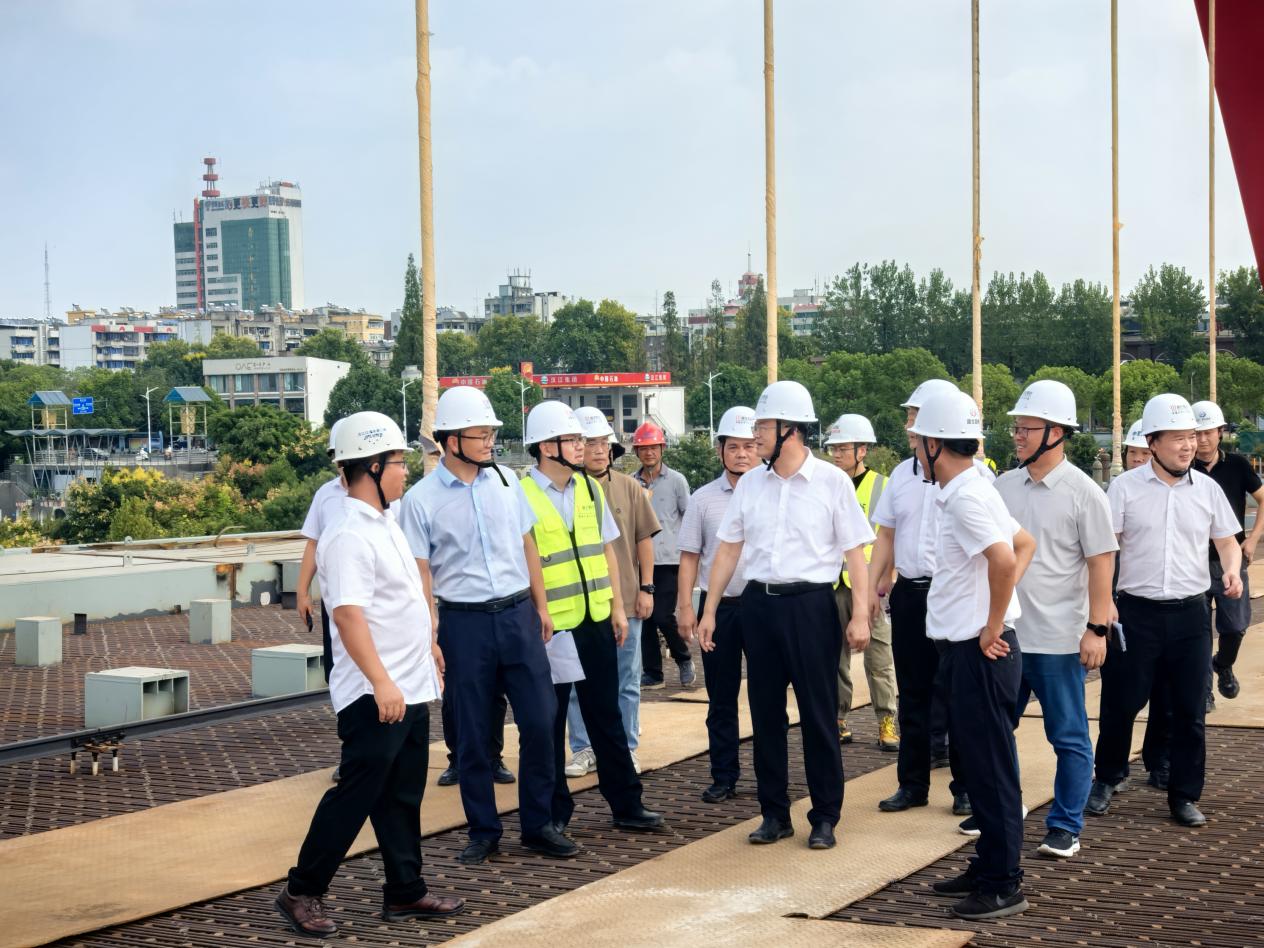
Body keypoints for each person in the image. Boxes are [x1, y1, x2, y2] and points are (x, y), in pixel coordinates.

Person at [276, 412, 463, 939]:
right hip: (374, 692)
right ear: (373, 467)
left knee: (402, 793)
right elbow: (348, 616)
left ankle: (404, 890)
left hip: (409, 684)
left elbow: (403, 597)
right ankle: (300, 890)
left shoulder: (385, 522)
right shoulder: (347, 534)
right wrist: (381, 682)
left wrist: (428, 645)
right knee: (356, 793)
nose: (407, 471)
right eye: (399, 462)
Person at [397, 387, 574, 866]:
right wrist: (430, 635)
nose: (490, 442)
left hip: (518, 615)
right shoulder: (421, 500)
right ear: (451, 441)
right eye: (481, 434)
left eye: (492, 433)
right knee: (472, 736)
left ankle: (539, 824)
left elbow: (528, 544)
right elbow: (421, 574)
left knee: (540, 720)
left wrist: (541, 606)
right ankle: (483, 830)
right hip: (464, 624)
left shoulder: (507, 482)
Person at [698, 380, 873, 851]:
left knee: (818, 714)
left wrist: (860, 614)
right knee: (765, 714)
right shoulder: (752, 484)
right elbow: (728, 549)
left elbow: (856, 555)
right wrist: (709, 609)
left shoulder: (832, 482)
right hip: (759, 606)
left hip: (812, 607)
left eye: (763, 426)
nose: (754, 434)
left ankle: (825, 816)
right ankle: (774, 814)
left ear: (790, 430)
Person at [1088, 394, 1243, 828]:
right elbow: (1105, 551)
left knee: (1189, 709)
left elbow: (1226, 541)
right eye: (1178, 438)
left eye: (1191, 436)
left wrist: (1232, 570)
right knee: (1121, 703)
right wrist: (1103, 604)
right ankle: (1107, 777)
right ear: (1153, 443)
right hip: (1135, 615)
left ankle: (1184, 795)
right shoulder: (1124, 488)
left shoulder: (1207, 490)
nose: (1188, 445)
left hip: (1191, 616)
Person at [912, 390, 1035, 921]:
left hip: (980, 653)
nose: (916, 450)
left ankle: (1003, 884)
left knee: (991, 771)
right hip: (972, 650)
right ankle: (988, 867)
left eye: (918, 440)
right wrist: (995, 611)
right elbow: (1026, 544)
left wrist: (992, 623)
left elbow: (1006, 559)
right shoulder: (974, 487)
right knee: (984, 767)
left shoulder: (965, 497)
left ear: (935, 444)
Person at [521, 401, 665, 834]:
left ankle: (627, 804)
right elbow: (526, 560)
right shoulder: (522, 495)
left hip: (596, 620)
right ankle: (553, 815)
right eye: (572, 439)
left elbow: (606, 550)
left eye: (581, 439)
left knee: (607, 716)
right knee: (550, 723)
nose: (581, 446)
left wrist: (617, 608)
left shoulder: (588, 489)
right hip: (553, 629)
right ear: (546, 446)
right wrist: (540, 612)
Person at [995, 380, 1117, 861]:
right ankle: (1005, 807)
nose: (1018, 435)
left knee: (1068, 736)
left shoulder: (1084, 493)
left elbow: (1101, 564)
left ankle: (1066, 825)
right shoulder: (1003, 487)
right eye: (1017, 428)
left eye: (1027, 428)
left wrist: (1097, 629)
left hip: (1060, 639)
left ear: (1056, 432)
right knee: (996, 730)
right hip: (1008, 635)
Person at [869, 379, 973, 818]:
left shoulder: (975, 477)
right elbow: (886, 535)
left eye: (916, 417)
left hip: (954, 596)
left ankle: (965, 787)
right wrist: (872, 589)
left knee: (958, 694)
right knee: (912, 693)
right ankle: (912, 784)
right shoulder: (900, 475)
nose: (909, 426)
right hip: (910, 595)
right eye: (909, 416)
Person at [563, 406, 660, 777]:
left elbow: (643, 540)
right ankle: (584, 748)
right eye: (590, 443)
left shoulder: (628, 487)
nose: (599, 450)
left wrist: (647, 588)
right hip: (580, 602)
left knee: (627, 680)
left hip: (628, 600)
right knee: (577, 681)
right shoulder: (565, 491)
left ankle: (626, 747)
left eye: (604, 442)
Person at [676, 406, 758, 803]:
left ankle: (770, 776)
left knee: (767, 696)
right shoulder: (702, 499)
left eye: (749, 446)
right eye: (733, 447)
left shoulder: (771, 493)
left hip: (762, 607)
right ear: (720, 450)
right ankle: (724, 776)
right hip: (718, 608)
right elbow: (690, 556)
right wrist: (685, 608)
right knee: (721, 698)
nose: (742, 454)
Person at [824, 413, 899, 752]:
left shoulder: (883, 486)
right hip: (832, 584)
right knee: (834, 657)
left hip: (869, 585)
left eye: (843, 449)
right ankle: (839, 717)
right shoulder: (826, 484)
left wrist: (884, 583)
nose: (837, 455)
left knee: (879, 656)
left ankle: (886, 720)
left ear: (862, 450)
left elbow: (890, 537)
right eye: (834, 449)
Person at [1191, 400, 1262, 704]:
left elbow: (1263, 499)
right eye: (1197, 433)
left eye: (1208, 432)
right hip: (1192, 562)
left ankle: (1223, 664)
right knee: (1198, 632)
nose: (1202, 439)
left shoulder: (1238, 465)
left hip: (1230, 561)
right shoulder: (1182, 468)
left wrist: (1254, 538)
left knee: (1235, 626)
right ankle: (1203, 692)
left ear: (1220, 432)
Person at [633, 421, 695, 689]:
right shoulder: (631, 483)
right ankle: (653, 672)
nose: (649, 453)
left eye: (654, 448)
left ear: (662, 449)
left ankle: (684, 658)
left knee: (662, 615)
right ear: (637, 452)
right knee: (644, 617)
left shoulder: (676, 481)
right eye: (644, 448)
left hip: (669, 560)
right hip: (639, 561)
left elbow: (689, 517)